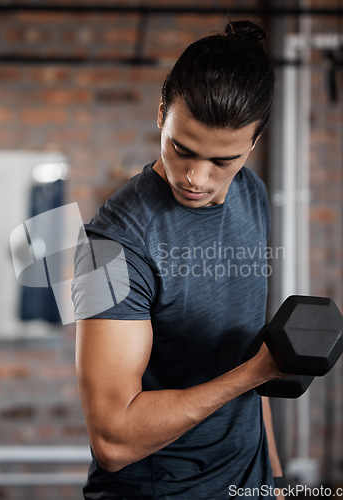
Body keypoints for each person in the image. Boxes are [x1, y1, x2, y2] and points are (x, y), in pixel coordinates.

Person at [72, 20, 287, 499]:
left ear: (253, 144)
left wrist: (273, 478)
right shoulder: (109, 245)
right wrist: (256, 373)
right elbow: (113, 439)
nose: (195, 177)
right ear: (161, 113)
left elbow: (246, 351)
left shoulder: (252, 195)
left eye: (223, 161)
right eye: (181, 149)